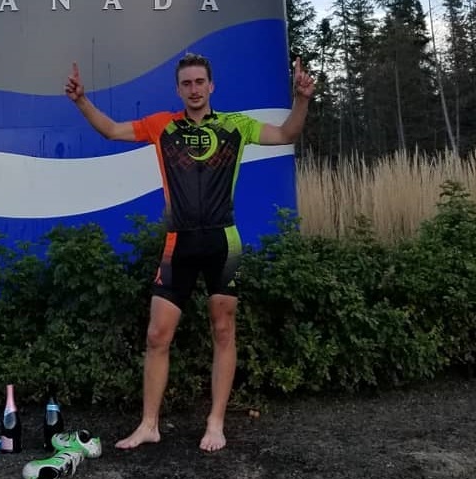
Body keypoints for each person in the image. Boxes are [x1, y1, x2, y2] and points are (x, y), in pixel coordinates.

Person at [64, 52, 315, 452]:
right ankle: (149, 424)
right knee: (157, 335)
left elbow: (286, 135)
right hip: (177, 243)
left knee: (223, 330)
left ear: (211, 86)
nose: (194, 90)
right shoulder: (163, 126)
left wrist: (301, 100)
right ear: (179, 89)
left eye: (200, 82)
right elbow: (111, 130)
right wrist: (81, 101)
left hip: (222, 243)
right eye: (187, 84)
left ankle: (215, 423)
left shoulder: (237, 126)